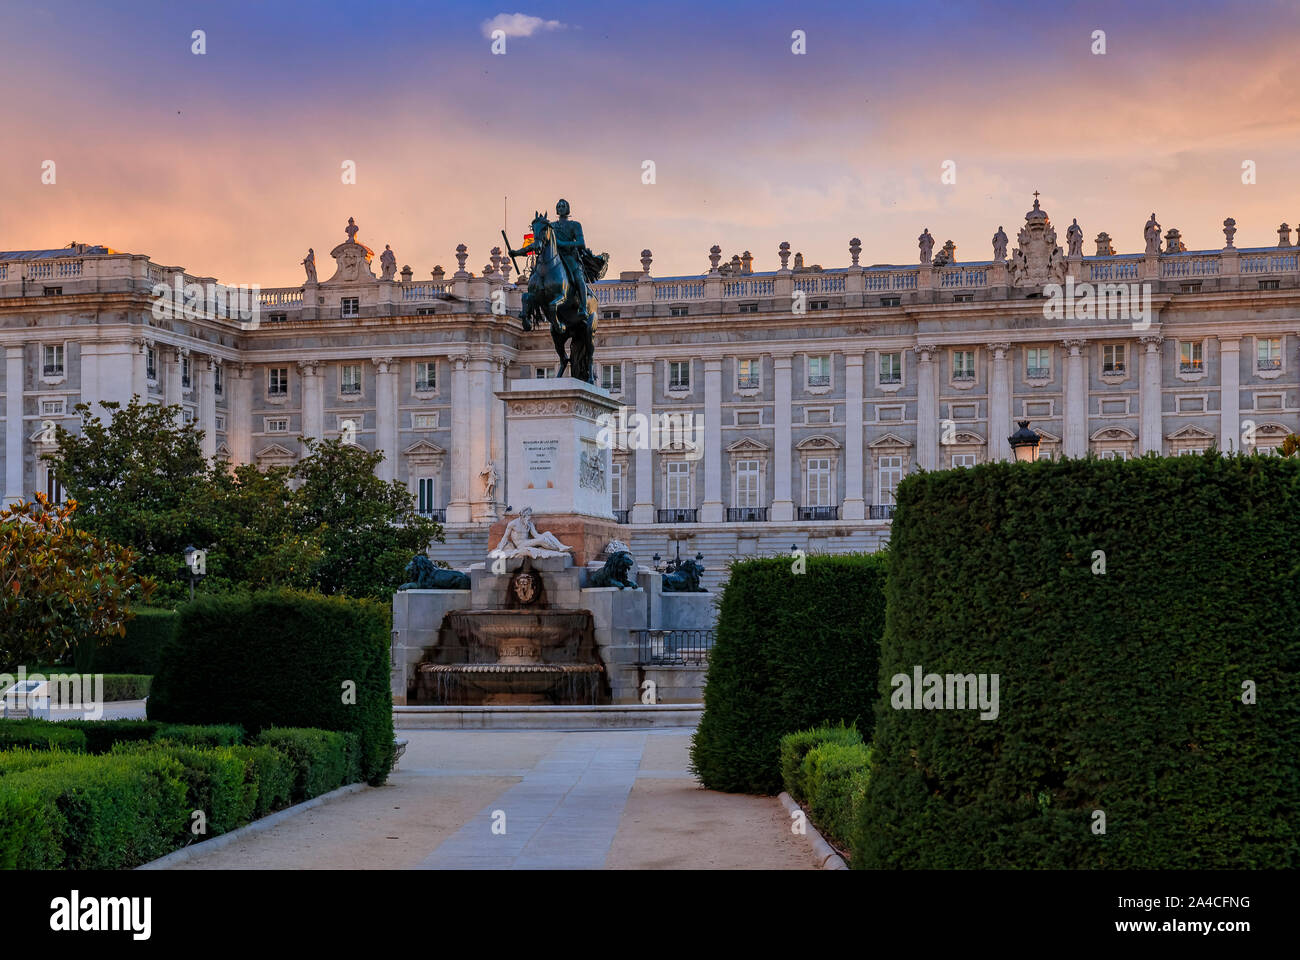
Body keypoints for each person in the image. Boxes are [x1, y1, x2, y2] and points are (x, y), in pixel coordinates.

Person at [490, 507, 572, 558]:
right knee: (541, 540)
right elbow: (505, 537)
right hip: (520, 545)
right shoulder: (513, 524)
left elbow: (536, 535)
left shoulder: (529, 524)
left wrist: (545, 536)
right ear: (523, 516)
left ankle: (561, 547)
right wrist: (500, 549)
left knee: (547, 533)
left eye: (530, 515)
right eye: (528, 515)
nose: (530, 517)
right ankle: (557, 549)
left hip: (527, 542)